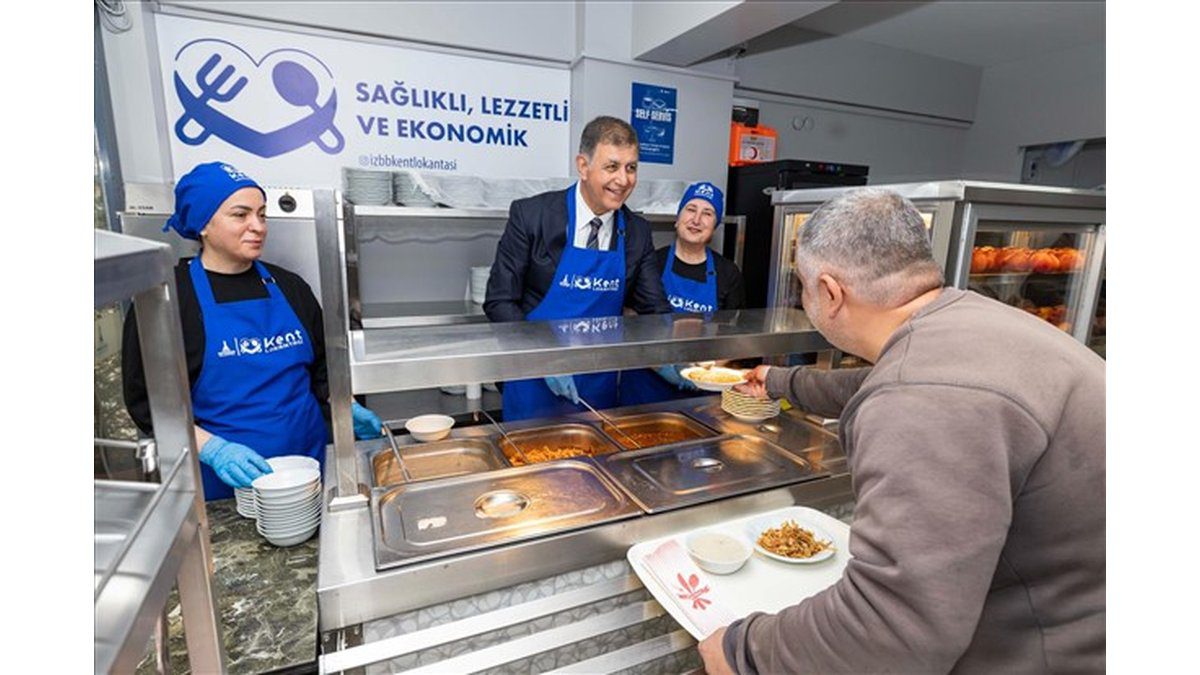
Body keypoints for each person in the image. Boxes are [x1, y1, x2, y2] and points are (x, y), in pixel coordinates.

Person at [698, 188, 1105, 673]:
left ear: (830, 293)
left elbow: (891, 630)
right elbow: (883, 381)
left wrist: (742, 651)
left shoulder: (921, 399)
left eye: (802, 287)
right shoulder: (967, 320)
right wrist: (782, 382)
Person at [122, 162, 383, 501]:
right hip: (225, 487)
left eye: (262, 214)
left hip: (311, 469)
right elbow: (150, 406)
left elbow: (324, 374)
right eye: (240, 215)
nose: (258, 226)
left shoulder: (290, 287)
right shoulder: (167, 297)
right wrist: (214, 450)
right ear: (203, 223)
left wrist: (347, 407)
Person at [484, 116, 671, 421]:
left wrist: (674, 357)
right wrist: (545, 357)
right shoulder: (532, 215)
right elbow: (499, 301)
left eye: (631, 168)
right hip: (534, 377)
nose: (623, 180)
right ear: (583, 166)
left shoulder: (637, 232)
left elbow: (656, 310)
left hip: (598, 387)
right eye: (612, 167)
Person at [618, 180, 745, 405]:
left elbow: (734, 336)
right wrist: (661, 365)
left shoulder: (728, 273)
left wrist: (703, 372)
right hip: (645, 387)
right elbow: (629, 320)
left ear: (715, 226)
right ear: (678, 218)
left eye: (707, 213)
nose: (696, 220)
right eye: (691, 209)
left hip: (699, 391)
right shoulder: (650, 262)